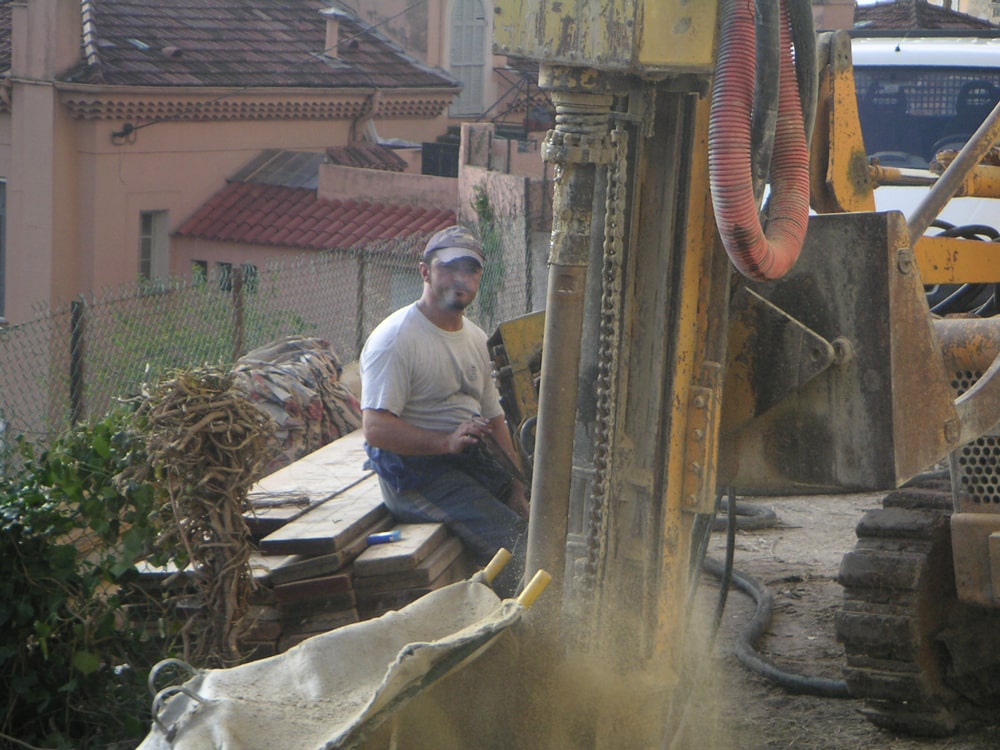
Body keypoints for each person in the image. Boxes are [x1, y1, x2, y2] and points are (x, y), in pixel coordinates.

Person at [360, 225, 529, 597]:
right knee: (517, 547)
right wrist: (445, 442)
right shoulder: (396, 340)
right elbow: (375, 428)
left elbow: (495, 418)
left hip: (464, 461)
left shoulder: (474, 338)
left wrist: (517, 483)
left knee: (541, 522)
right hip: (415, 474)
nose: (461, 279)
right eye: (450, 268)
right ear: (425, 272)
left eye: (471, 270)